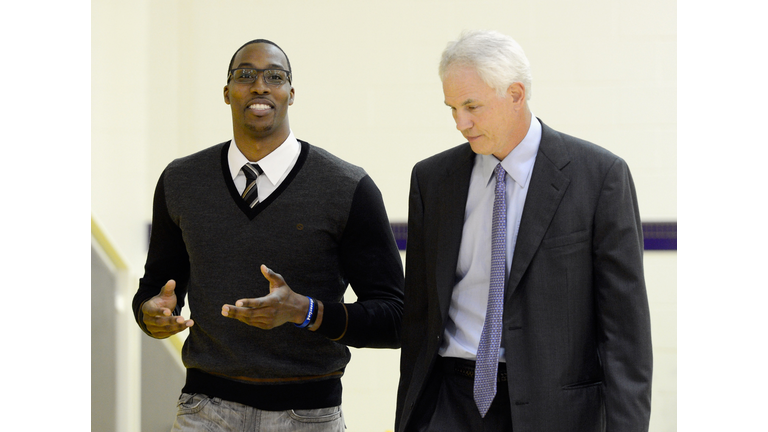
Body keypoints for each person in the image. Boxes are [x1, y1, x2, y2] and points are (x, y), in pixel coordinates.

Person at [132, 39, 404, 432]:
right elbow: (154, 290)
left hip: (308, 415)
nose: (260, 86)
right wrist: (150, 315)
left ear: (291, 94)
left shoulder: (347, 187)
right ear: (227, 93)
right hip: (204, 410)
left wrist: (305, 311)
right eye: (245, 75)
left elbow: (395, 318)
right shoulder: (181, 181)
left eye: (274, 76)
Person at [395, 30, 652, 432]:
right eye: (451, 108)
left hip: (558, 410)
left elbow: (625, 333)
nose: (460, 122)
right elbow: (419, 316)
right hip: (449, 402)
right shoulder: (432, 179)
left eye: (471, 106)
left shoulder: (600, 177)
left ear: (516, 94)